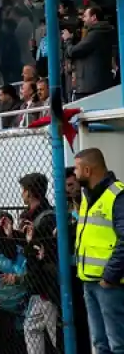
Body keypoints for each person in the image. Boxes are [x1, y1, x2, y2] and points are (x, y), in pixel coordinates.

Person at [74, 148, 124, 354]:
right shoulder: (87, 196)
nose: (74, 175)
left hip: (109, 284)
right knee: (100, 343)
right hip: (90, 281)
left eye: (76, 169)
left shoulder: (117, 195)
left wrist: (110, 275)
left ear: (87, 170)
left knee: (118, 344)